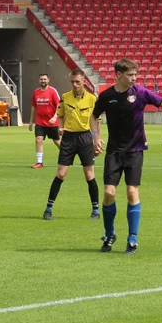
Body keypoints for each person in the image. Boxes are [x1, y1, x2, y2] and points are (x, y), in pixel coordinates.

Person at [90, 59, 162, 254]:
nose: (134, 78)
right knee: (109, 193)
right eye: (130, 75)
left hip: (135, 150)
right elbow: (94, 116)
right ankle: (110, 234)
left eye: (135, 75)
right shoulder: (107, 96)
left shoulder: (140, 93)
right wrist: (96, 136)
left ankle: (132, 238)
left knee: (131, 192)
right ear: (119, 75)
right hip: (114, 151)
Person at [43, 69, 100, 221]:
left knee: (89, 175)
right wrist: (60, 127)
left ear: (84, 82)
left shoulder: (92, 99)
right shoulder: (65, 97)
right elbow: (60, 115)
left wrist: (96, 140)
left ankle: (96, 210)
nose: (74, 85)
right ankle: (48, 208)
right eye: (72, 82)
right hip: (68, 138)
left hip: (85, 137)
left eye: (77, 82)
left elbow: (96, 122)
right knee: (61, 174)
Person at [28, 73, 61, 168]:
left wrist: (55, 117)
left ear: (48, 80)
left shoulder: (53, 91)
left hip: (52, 122)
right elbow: (34, 106)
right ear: (39, 80)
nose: (43, 81)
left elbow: (59, 106)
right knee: (38, 140)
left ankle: (67, 156)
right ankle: (39, 163)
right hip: (40, 122)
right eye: (41, 79)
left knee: (57, 141)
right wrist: (31, 121)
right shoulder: (36, 92)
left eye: (45, 79)